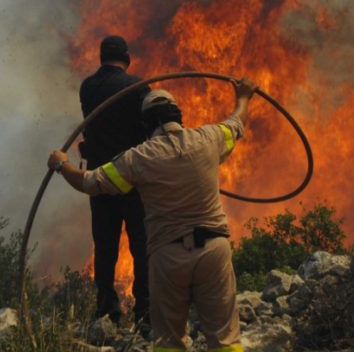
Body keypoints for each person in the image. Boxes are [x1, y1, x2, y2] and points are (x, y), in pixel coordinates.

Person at [49, 78, 258, 352]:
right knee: (226, 341)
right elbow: (237, 122)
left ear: (145, 125)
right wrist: (243, 97)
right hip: (214, 251)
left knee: (169, 343)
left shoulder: (138, 159)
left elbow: (89, 183)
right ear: (178, 116)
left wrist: (61, 165)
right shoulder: (209, 138)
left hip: (168, 256)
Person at [78, 35, 150, 325]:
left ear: (101, 57)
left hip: (100, 178)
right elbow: (148, 127)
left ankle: (107, 308)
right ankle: (145, 309)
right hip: (132, 177)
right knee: (141, 244)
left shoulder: (87, 87)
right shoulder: (137, 86)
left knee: (105, 245)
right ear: (127, 57)